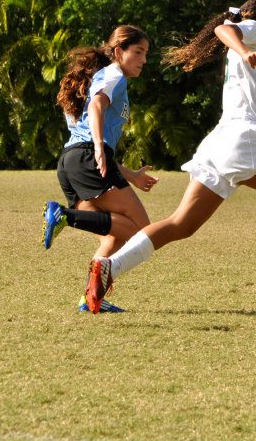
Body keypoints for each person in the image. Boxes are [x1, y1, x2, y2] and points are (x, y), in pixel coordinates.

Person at [83, 0, 256, 314]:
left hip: (223, 142)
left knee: (181, 224)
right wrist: (245, 49)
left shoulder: (255, 47)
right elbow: (224, 30)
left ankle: (108, 268)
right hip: (243, 141)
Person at [41, 25, 160, 313]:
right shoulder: (115, 74)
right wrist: (97, 147)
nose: (144, 59)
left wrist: (131, 175)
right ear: (119, 52)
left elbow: (94, 137)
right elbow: (96, 107)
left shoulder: (105, 76)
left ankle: (92, 297)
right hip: (86, 158)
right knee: (143, 230)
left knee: (114, 236)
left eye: (146, 53)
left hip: (72, 162)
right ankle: (65, 216)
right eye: (138, 52)